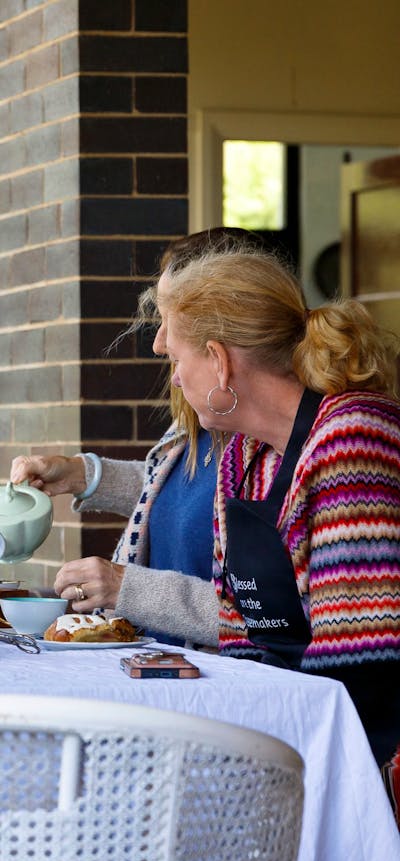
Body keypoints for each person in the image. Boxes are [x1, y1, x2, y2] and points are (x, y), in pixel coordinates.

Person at [155, 243, 400, 766]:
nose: (175, 379)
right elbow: (241, 637)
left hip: (365, 747)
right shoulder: (242, 458)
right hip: (296, 726)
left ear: (219, 361)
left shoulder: (351, 440)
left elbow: (362, 662)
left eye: (178, 360)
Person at [10, 228, 268, 649]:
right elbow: (177, 497)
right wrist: (82, 475)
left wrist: (125, 587)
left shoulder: (273, 444)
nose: (158, 343)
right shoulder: (202, 418)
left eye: (170, 320)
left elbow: (267, 618)